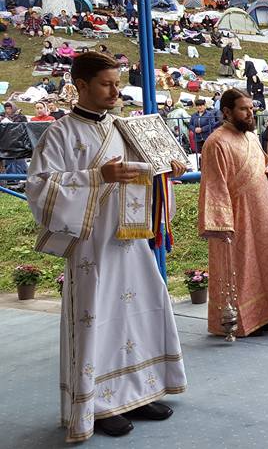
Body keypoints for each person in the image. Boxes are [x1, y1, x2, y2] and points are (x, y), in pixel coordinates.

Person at [25, 52, 187, 441]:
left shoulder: (127, 128)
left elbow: (149, 173)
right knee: (98, 320)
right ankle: (97, 404)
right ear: (80, 86)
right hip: (92, 249)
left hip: (129, 241)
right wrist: (97, 175)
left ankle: (141, 390)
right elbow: (39, 188)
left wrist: (169, 169)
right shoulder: (59, 133)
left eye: (118, 83)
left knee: (142, 311)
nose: (117, 91)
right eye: (107, 84)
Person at [197, 89, 268, 337]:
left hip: (260, 213)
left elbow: (262, 164)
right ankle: (238, 321)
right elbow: (215, 186)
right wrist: (221, 225)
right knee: (241, 267)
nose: (250, 113)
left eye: (251, 108)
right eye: (244, 109)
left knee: (265, 261)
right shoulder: (216, 143)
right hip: (236, 218)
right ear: (227, 112)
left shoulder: (251, 138)